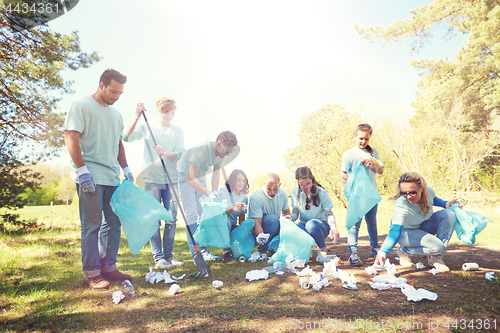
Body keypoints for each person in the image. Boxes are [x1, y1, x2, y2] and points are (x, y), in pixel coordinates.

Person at [64, 69, 133, 289]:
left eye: (120, 93)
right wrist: (81, 169)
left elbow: (118, 144)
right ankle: (92, 272)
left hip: (112, 177)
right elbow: (71, 137)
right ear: (101, 85)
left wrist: (126, 168)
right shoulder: (81, 106)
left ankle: (109, 267)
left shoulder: (116, 115)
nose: (116, 97)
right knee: (91, 225)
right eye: (113, 91)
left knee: (113, 224)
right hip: (90, 176)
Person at [123, 97, 185, 270]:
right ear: (159, 110)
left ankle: (169, 257)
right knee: (153, 219)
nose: (170, 115)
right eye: (166, 112)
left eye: (173, 112)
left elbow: (179, 154)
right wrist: (136, 116)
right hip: (151, 179)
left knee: (171, 219)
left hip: (172, 179)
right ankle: (159, 259)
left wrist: (165, 152)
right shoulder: (146, 127)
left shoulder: (177, 131)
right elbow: (125, 137)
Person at [374, 172, 461, 272]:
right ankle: (404, 250)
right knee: (438, 246)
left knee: (449, 214)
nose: (408, 196)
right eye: (404, 193)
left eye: (412, 192)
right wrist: (382, 253)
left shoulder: (429, 191)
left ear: (422, 189)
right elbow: (394, 231)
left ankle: (436, 257)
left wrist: (448, 203)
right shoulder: (401, 204)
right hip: (405, 234)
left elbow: (433, 199)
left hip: (422, 227)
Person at [177, 131, 238, 260]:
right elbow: (190, 178)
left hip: (201, 176)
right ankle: (196, 254)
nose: (227, 154)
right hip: (185, 178)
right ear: (219, 144)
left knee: (203, 215)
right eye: (226, 151)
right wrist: (208, 193)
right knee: (191, 215)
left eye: (230, 152)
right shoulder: (201, 150)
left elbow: (216, 173)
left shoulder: (220, 153)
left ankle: (203, 252)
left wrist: (214, 191)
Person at [341, 123, 384, 266]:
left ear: (369, 138)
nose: (363, 141)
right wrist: (354, 182)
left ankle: (375, 248)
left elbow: (381, 170)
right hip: (357, 195)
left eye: (366, 139)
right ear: (354, 137)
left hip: (371, 194)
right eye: (360, 138)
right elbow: (343, 174)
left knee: (372, 222)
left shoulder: (373, 152)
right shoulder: (349, 154)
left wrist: (371, 165)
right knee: (355, 223)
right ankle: (353, 253)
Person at [290, 166, 340, 262]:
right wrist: (290, 218)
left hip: (320, 226)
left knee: (311, 224)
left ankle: (322, 251)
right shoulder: (294, 193)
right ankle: (306, 249)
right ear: (298, 183)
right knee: (294, 228)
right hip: (303, 225)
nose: (306, 187)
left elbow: (329, 213)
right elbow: (295, 213)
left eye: (308, 183)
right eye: (302, 185)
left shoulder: (321, 192)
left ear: (312, 179)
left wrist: (333, 227)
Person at [248, 173, 291, 260]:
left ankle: (274, 248)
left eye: (275, 189)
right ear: (264, 184)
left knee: (284, 222)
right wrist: (261, 236)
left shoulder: (282, 194)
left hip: (274, 227)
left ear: (279, 185)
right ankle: (262, 250)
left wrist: (287, 220)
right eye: (268, 189)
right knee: (273, 219)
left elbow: (286, 212)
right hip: (256, 231)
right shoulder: (256, 197)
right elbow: (256, 222)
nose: (271, 192)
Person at [218, 169, 249, 262]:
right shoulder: (223, 191)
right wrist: (233, 207)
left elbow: (242, 219)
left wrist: (244, 231)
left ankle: (234, 247)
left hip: (233, 226)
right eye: (238, 180)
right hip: (220, 225)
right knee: (226, 221)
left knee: (246, 227)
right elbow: (221, 215)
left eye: (243, 181)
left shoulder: (244, 197)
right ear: (232, 180)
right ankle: (226, 250)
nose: (241, 183)